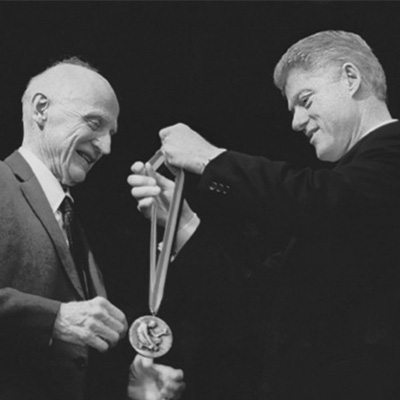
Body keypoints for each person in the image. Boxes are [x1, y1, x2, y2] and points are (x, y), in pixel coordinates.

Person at [128, 30, 400, 399]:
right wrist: (181, 220)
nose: (296, 122)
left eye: (305, 100)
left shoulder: (384, 160)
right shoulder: (341, 195)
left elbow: (323, 200)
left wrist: (208, 159)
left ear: (351, 79)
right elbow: (258, 296)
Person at [0, 58, 184, 400]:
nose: (106, 147)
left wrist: (126, 386)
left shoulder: (72, 220)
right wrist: (53, 318)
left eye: (110, 133)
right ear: (41, 109)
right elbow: (63, 324)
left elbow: (69, 357)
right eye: (94, 123)